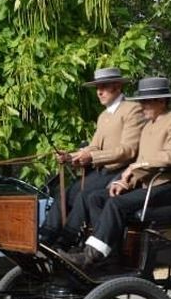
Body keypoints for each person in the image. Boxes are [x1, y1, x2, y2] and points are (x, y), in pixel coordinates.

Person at [60, 77, 171, 269]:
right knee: (96, 198)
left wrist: (135, 167)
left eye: (146, 101)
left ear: (162, 101)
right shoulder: (148, 126)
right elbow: (139, 164)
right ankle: (109, 252)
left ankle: (92, 255)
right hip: (147, 184)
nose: (141, 106)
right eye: (140, 101)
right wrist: (124, 182)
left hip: (169, 186)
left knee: (116, 204)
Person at [39, 67, 144, 249]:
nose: (99, 92)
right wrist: (71, 156)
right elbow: (93, 146)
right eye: (97, 87)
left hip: (121, 171)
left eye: (103, 86)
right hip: (100, 170)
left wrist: (92, 156)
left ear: (117, 86)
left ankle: (66, 242)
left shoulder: (132, 110)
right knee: (63, 194)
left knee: (84, 196)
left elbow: (128, 150)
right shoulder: (103, 116)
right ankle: (45, 238)